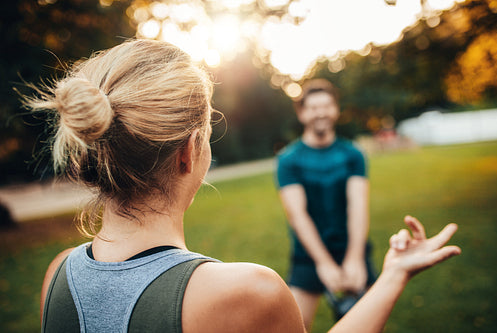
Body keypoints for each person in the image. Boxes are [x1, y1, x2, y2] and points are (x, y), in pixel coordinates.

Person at [27, 40, 460, 333]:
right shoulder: (246, 293)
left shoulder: (57, 277)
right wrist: (393, 276)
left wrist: (390, 275)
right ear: (190, 150)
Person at [276, 79, 374, 328]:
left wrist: (354, 257)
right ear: (301, 113)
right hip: (308, 255)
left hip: (352, 246)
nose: (321, 112)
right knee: (293, 326)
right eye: (313, 107)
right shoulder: (289, 160)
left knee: (369, 323)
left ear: (336, 109)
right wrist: (323, 263)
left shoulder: (353, 154)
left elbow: (358, 206)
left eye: (327, 105)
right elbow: (297, 215)